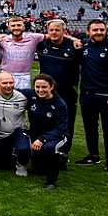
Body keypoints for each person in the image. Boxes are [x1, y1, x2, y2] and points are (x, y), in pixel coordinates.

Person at [77, 19, 108, 176]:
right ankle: (93, 156)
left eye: (101, 29)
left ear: (106, 30)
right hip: (87, 96)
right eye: (95, 30)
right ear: (88, 31)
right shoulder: (84, 46)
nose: (98, 32)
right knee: (90, 128)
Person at [36, 19, 81, 165]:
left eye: (57, 30)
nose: (54, 33)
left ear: (64, 31)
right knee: (44, 121)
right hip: (45, 92)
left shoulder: (73, 46)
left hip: (67, 91)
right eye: (51, 30)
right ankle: (43, 149)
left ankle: (63, 153)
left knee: (67, 123)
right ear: (47, 32)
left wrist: (73, 39)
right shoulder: (42, 44)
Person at [23, 74, 69, 190]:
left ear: (51, 87)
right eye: (37, 87)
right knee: (38, 171)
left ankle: (51, 181)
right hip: (36, 135)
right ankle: (61, 159)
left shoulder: (60, 104)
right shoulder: (31, 94)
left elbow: (61, 128)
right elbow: (12, 90)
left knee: (49, 148)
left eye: (44, 87)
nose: (40, 90)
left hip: (56, 136)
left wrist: (42, 139)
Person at [0, 72, 30, 174]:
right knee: (2, 166)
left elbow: (40, 95)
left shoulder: (23, 97)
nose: (8, 86)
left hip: (18, 131)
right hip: (0, 135)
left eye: (11, 82)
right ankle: (11, 154)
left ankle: (22, 164)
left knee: (24, 148)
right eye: (4, 83)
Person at [0, 17, 45, 89]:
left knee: (23, 98)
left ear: (24, 26)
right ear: (9, 27)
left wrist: (69, 38)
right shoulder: (3, 40)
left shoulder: (34, 37)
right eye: (13, 26)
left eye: (19, 25)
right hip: (6, 74)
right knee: (4, 98)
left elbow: (52, 36)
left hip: (24, 76)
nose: (16, 28)